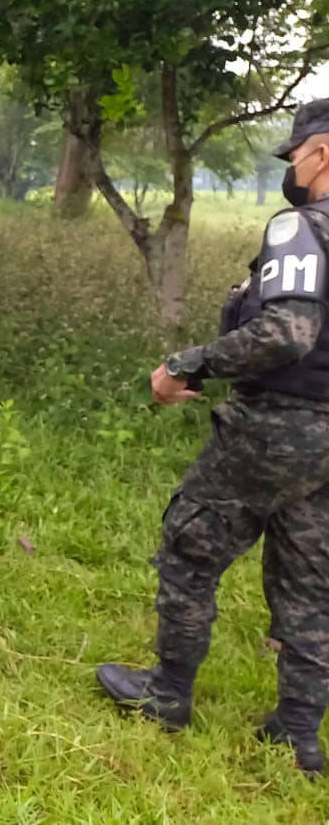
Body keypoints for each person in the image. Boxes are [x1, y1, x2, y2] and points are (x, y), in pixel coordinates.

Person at [98, 99, 329, 775]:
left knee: (190, 548)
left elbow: (285, 333)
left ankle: (168, 694)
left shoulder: (300, 230)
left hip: (277, 430)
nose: (292, 169)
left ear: (322, 151)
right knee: (312, 583)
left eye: (295, 156)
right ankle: (297, 734)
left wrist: (185, 364)